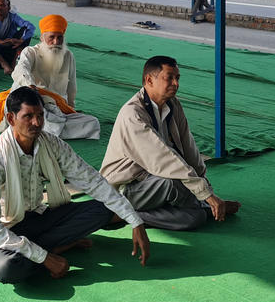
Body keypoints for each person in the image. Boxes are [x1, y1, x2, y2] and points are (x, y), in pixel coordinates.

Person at [0, 86, 150, 283]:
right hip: (7, 229)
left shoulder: (51, 143)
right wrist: (44, 257)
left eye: (40, 115)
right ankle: (59, 245)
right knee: (7, 270)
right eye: (28, 116)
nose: (37, 123)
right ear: (11, 119)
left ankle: (52, 246)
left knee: (108, 207)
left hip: (39, 216)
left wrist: (135, 221)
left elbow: (91, 179)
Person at [100, 56, 240, 231]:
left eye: (178, 78)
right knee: (173, 183)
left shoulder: (173, 104)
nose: (176, 83)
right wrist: (205, 196)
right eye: (169, 78)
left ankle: (130, 215)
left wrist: (207, 190)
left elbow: (189, 150)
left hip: (154, 181)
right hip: (127, 188)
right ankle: (120, 211)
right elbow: (163, 159)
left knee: (194, 218)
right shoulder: (132, 114)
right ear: (149, 80)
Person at [0, 14, 99, 140]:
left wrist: (71, 108)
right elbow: (20, 69)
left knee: (93, 122)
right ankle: (43, 127)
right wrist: (31, 85)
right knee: (19, 88)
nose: (56, 42)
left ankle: (36, 128)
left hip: (56, 109)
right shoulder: (30, 52)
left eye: (59, 37)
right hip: (32, 104)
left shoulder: (68, 56)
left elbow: (71, 85)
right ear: (42, 37)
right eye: (52, 37)